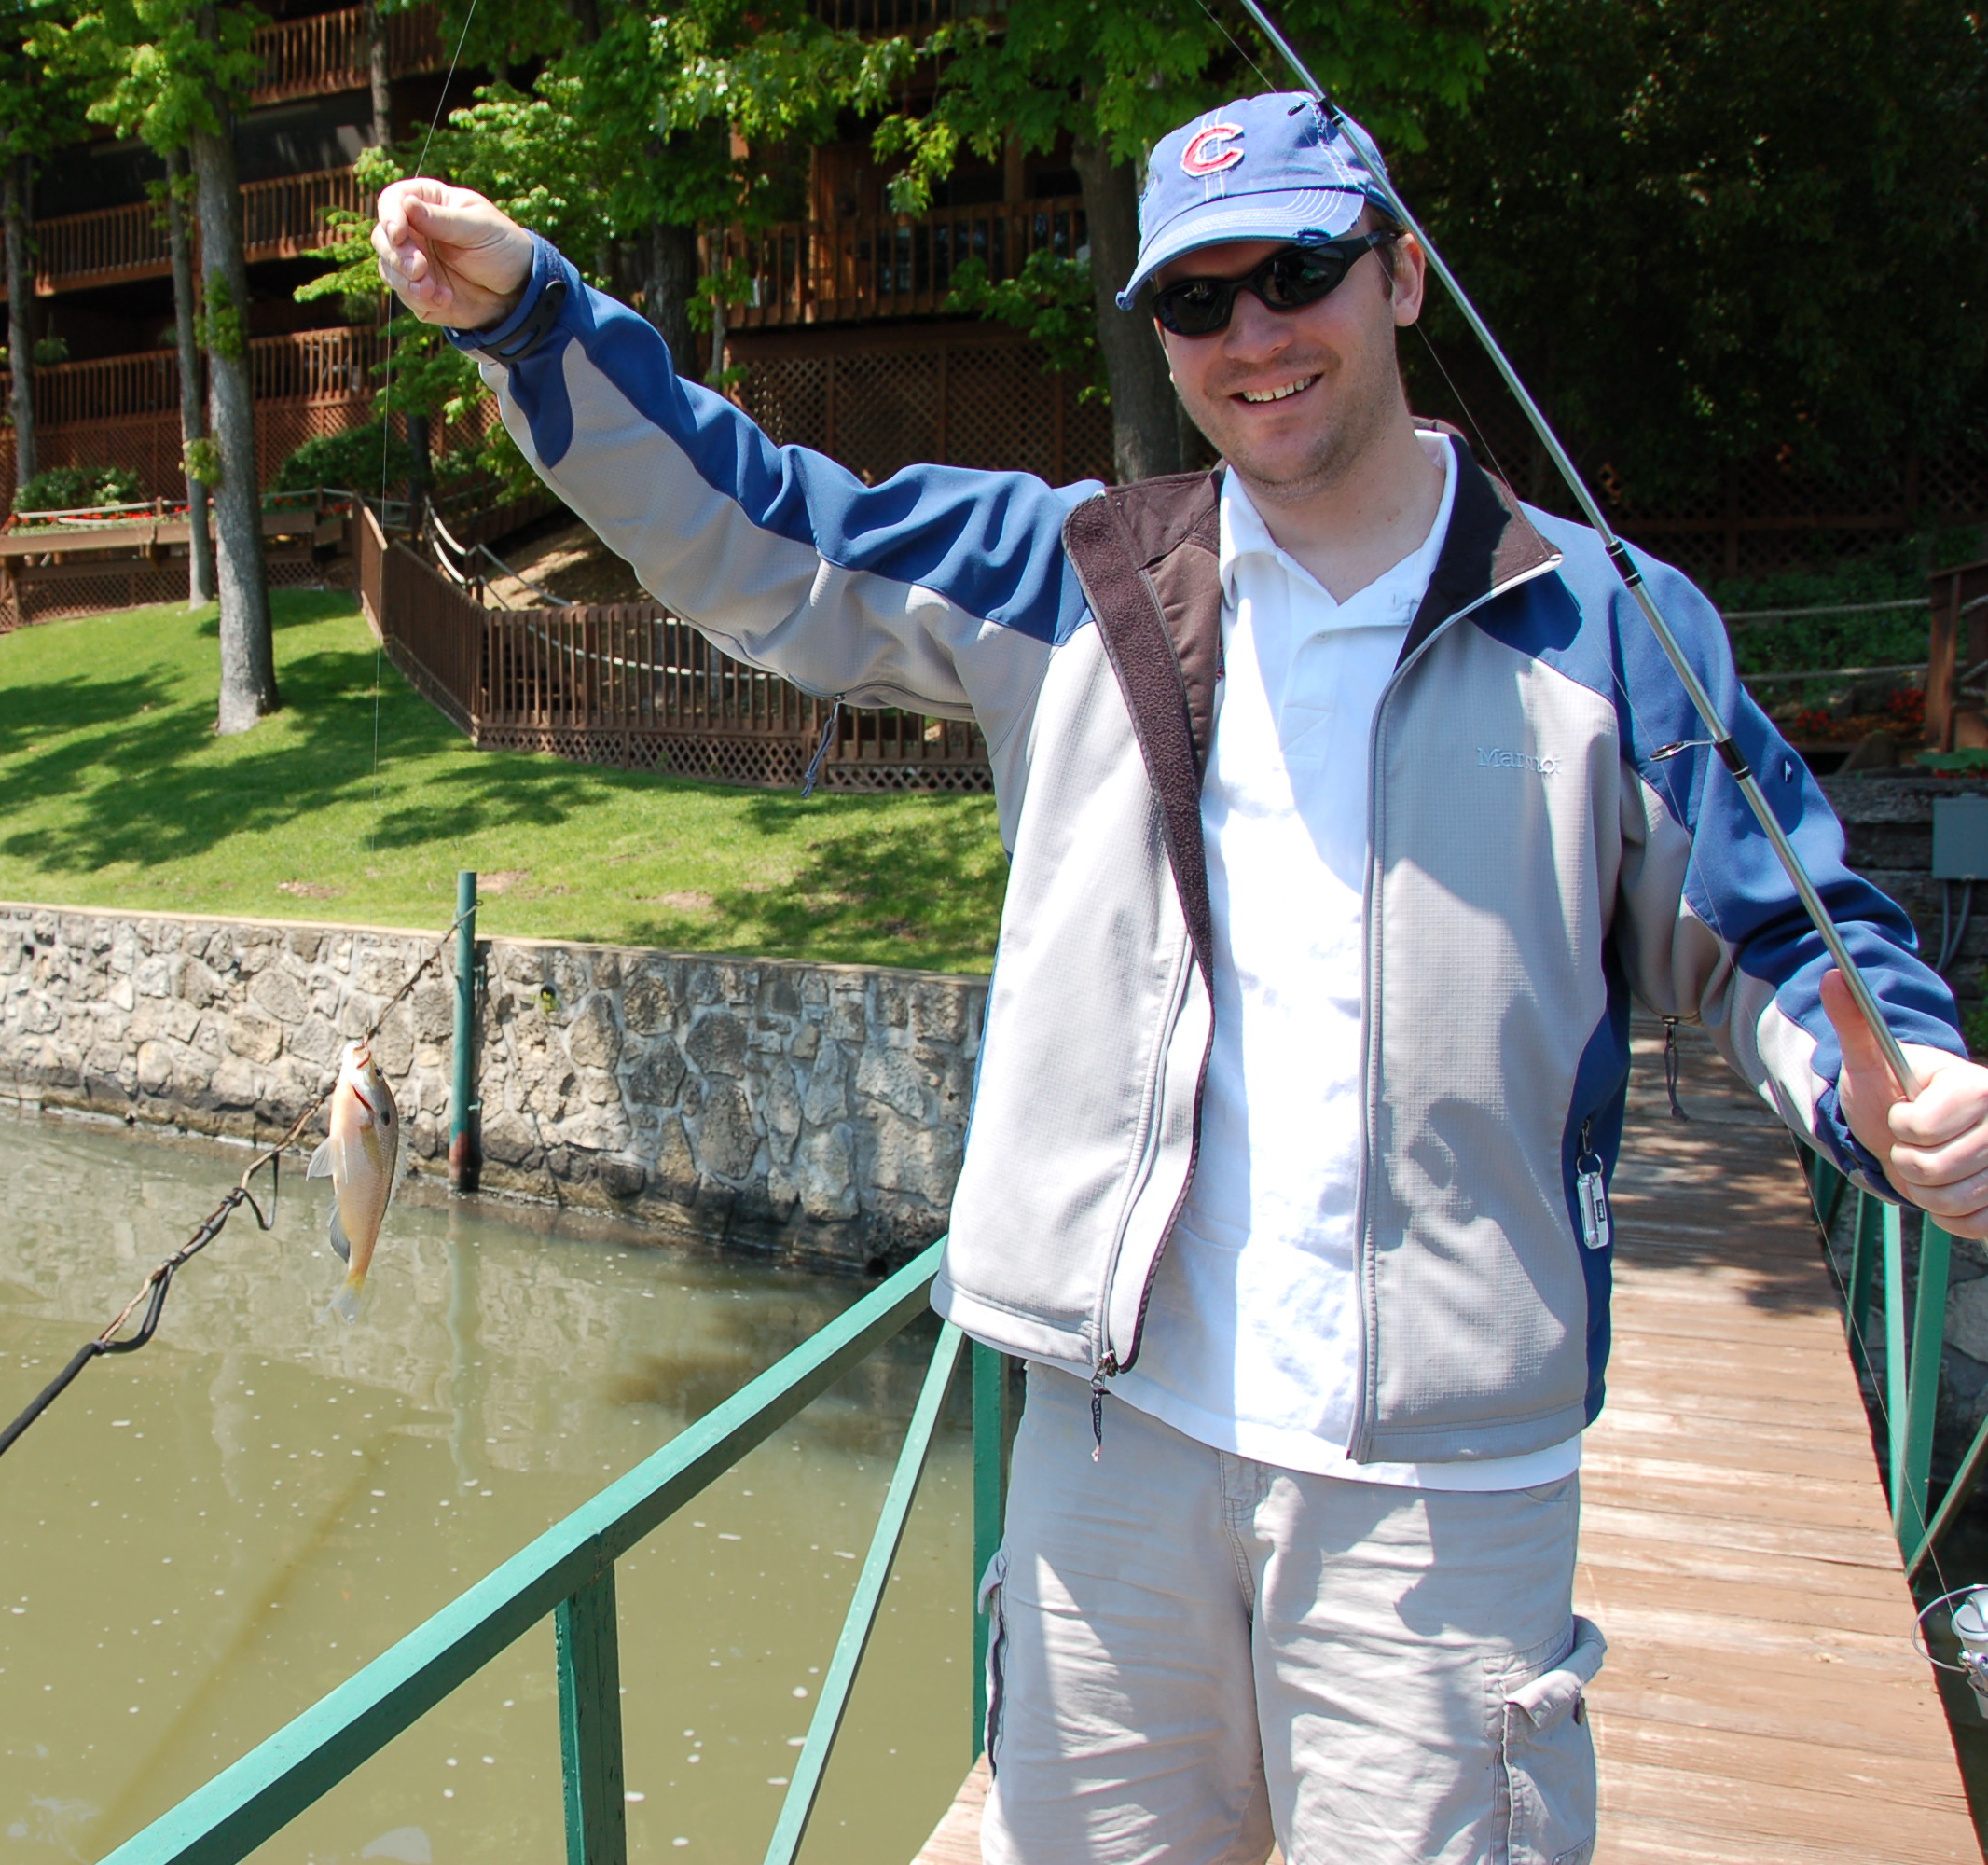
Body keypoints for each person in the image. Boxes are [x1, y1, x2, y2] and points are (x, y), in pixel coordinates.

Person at [375, 90, 1988, 1865]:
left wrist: (1894, 1093)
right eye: (1197, 301)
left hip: (1441, 1490)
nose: (1253, 333)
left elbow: (1780, 937)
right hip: (1111, 1441)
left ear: (1401, 275)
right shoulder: (1077, 579)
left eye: (1298, 271)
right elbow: (760, 527)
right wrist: (536, 318)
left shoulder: (1606, 623)